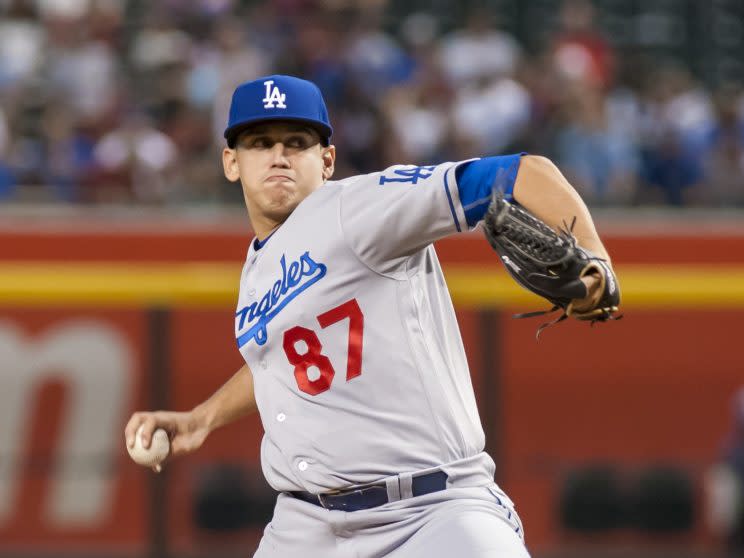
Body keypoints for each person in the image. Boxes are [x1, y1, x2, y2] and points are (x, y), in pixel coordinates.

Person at [125, 74, 616, 557]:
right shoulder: (259, 264)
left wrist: (597, 258)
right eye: (259, 143)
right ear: (232, 162)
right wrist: (201, 419)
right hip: (306, 524)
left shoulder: (359, 207)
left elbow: (525, 171)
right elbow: (280, 363)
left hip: (430, 513)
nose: (278, 156)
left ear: (327, 160)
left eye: (296, 142)